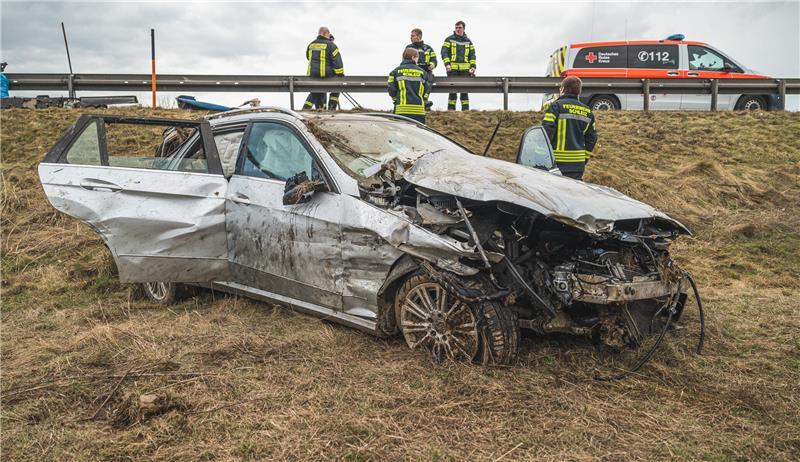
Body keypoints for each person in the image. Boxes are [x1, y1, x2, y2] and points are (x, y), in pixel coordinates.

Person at [542, 76, 597, 180]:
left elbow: (546, 133)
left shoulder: (556, 107)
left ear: (562, 89)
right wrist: (583, 158)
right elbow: (592, 139)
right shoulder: (587, 111)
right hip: (577, 166)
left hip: (557, 164)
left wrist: (541, 156)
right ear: (579, 92)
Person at [303, 27, 344, 110]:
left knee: (316, 92)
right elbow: (337, 63)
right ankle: (332, 108)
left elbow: (308, 57)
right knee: (337, 87)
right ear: (326, 33)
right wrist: (340, 75)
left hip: (312, 76)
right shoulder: (332, 46)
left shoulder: (311, 45)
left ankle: (319, 108)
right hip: (327, 75)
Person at [387, 48, 431, 124]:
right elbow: (427, 89)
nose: (418, 60)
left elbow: (391, 88)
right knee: (418, 134)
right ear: (413, 57)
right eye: (417, 57)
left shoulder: (395, 72)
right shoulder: (423, 72)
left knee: (401, 133)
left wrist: (395, 99)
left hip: (401, 110)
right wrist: (424, 100)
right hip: (418, 111)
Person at [441, 21, 476, 111]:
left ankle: (466, 112)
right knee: (452, 91)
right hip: (452, 69)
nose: (457, 29)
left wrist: (473, 67)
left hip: (465, 70)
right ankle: (451, 112)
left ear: (464, 28)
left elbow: (472, 55)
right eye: (456, 27)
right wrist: (447, 64)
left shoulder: (468, 41)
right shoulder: (449, 39)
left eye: (459, 27)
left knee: (464, 91)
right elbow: (444, 52)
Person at [407, 28, 436, 108]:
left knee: (429, 79)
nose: (411, 38)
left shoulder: (428, 48)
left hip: (426, 71)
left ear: (419, 36)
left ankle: (425, 100)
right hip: (413, 71)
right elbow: (404, 60)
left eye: (413, 36)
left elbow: (434, 61)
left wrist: (431, 65)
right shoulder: (408, 47)